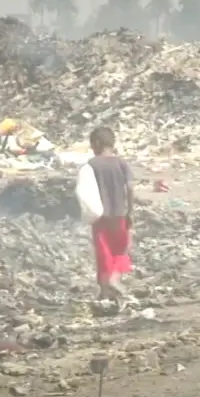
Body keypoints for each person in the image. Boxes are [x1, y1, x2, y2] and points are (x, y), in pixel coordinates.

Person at [75, 126, 134, 300]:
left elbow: (84, 189)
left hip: (100, 217)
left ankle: (106, 288)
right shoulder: (121, 163)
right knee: (120, 250)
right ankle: (112, 283)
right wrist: (130, 211)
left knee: (104, 252)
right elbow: (130, 187)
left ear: (97, 144)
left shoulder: (91, 164)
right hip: (119, 214)